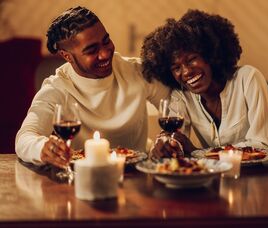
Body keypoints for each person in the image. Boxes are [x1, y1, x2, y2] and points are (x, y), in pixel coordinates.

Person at [15, 6, 169, 168]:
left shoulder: (138, 72)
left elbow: (177, 106)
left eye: (106, 41)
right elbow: (25, 138)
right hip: (83, 178)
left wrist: (167, 139)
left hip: (138, 175)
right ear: (67, 56)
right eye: (92, 50)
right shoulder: (57, 88)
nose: (104, 54)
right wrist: (43, 148)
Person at [141, 9, 268, 158]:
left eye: (191, 59)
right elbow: (176, 138)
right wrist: (167, 145)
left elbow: (265, 146)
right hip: (214, 179)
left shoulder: (248, 79)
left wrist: (199, 152)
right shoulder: (181, 96)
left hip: (260, 176)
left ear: (209, 54)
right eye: (176, 67)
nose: (186, 71)